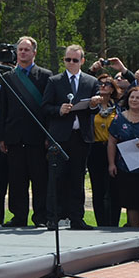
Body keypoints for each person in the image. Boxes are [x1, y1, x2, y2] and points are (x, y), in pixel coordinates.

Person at [42, 44, 101, 230]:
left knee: (77, 179)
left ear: (82, 61)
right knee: (56, 178)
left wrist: (93, 104)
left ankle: (77, 218)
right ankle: (53, 217)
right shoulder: (54, 81)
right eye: (68, 59)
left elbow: (96, 109)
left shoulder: (91, 81)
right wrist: (59, 110)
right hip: (60, 137)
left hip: (81, 137)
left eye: (75, 60)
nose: (71, 63)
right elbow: (45, 107)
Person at [0, 36, 53, 227]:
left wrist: (48, 135)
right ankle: (19, 216)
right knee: (17, 180)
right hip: (14, 136)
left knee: (39, 180)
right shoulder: (8, 77)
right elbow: (3, 109)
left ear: (34, 53)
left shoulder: (45, 76)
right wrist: (2, 136)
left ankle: (40, 217)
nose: (22, 53)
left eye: (26, 50)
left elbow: (47, 108)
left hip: (37, 137)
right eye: (20, 49)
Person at [108, 86, 139, 227]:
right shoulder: (118, 119)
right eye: (131, 97)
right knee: (131, 204)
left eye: (138, 97)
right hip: (125, 168)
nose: (134, 100)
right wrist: (111, 164)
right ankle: (134, 232)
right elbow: (112, 142)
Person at [88, 74, 120, 227]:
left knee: (114, 189)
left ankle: (113, 223)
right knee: (98, 189)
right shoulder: (91, 107)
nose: (103, 86)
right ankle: (101, 223)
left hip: (115, 149)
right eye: (100, 83)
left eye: (107, 84)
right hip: (95, 149)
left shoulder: (119, 107)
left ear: (113, 88)